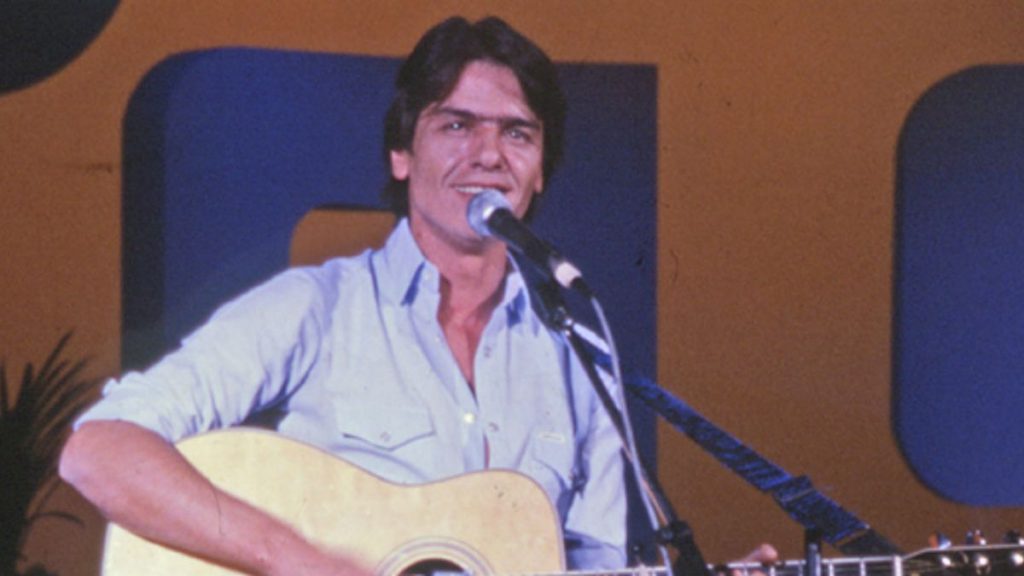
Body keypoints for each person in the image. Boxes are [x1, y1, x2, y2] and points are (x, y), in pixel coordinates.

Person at [61, 15, 631, 576]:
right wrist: (298, 562)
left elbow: (601, 560)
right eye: (457, 126)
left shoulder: (582, 363)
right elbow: (99, 448)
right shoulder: (317, 309)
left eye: (517, 133)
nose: (489, 155)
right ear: (401, 154)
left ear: (540, 170)